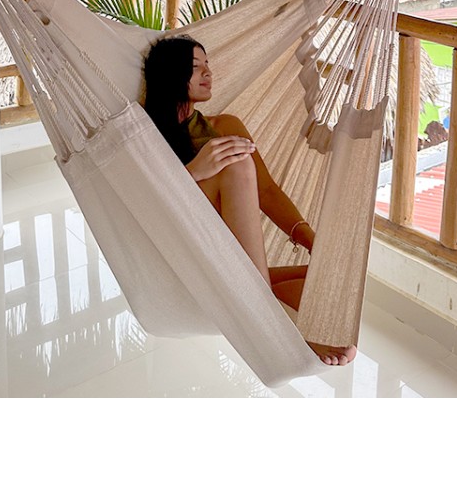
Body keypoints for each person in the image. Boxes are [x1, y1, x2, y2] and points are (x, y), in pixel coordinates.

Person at [143, 35, 357, 366]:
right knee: (236, 162)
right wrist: (194, 172)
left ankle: (259, 298)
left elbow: (266, 192)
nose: (208, 73)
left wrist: (313, 242)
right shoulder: (146, 138)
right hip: (194, 260)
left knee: (336, 279)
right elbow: (147, 210)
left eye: (208, 64)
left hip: (239, 269)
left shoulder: (226, 125)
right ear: (170, 75)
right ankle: (266, 319)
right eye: (195, 67)